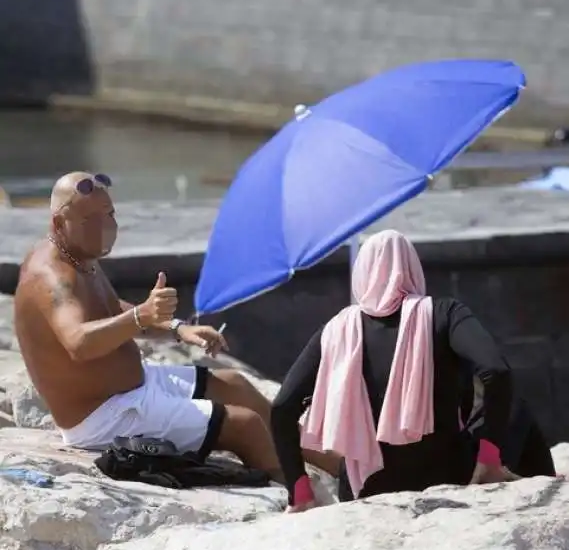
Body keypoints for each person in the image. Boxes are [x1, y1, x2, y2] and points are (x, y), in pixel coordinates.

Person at [14, 172, 340, 484]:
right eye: (91, 220)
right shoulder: (51, 276)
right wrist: (142, 315)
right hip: (102, 417)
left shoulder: (80, 255)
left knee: (235, 385)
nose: (106, 226)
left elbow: (112, 312)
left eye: (109, 214)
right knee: (246, 426)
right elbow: (78, 342)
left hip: (131, 390)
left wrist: (177, 328)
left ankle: (333, 464)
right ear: (59, 223)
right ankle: (298, 497)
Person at [271, 229, 539, 512]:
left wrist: (299, 492)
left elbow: (282, 408)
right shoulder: (444, 313)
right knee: (516, 409)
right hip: (449, 473)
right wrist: (489, 458)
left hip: (366, 487)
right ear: (413, 266)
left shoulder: (336, 331)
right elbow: (496, 371)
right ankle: (544, 487)